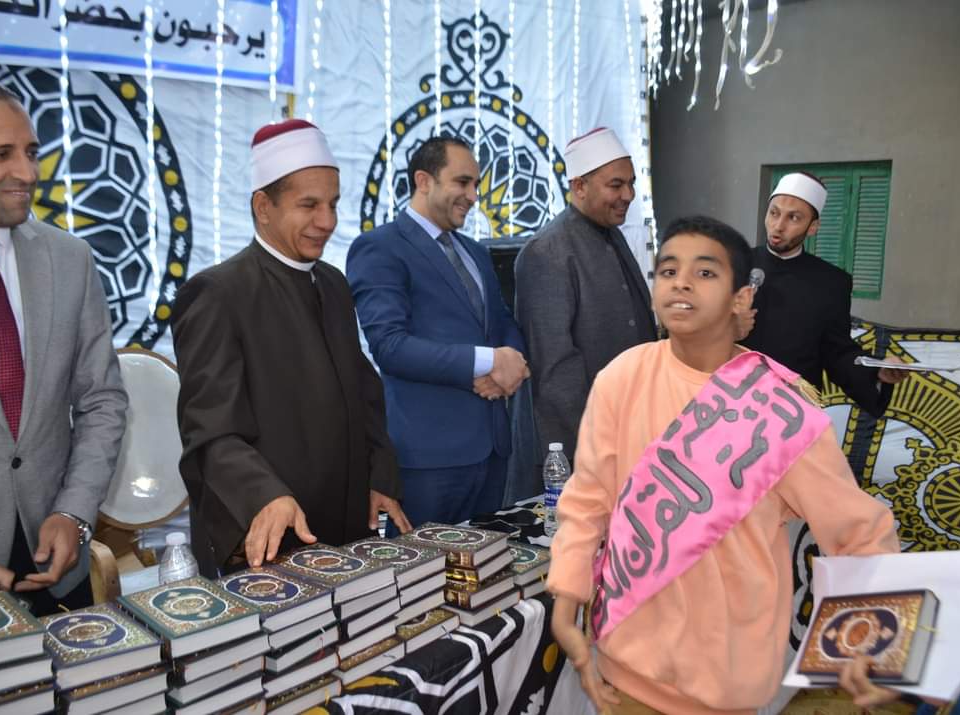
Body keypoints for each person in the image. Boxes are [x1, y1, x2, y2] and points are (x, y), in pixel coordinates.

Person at [547, 215, 903, 714]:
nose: (681, 282)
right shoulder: (622, 377)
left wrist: (874, 643)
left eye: (705, 272)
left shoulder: (781, 410)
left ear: (741, 299)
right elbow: (588, 500)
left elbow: (860, 533)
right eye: (668, 270)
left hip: (722, 683)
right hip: (622, 665)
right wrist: (566, 601)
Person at [173, 119, 408, 577]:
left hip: (345, 525)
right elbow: (211, 431)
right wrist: (263, 494)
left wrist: (380, 477)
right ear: (263, 207)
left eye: (333, 204)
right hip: (269, 530)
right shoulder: (217, 293)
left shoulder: (333, 284)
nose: (328, 221)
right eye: (309, 205)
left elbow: (364, 394)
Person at [0, 76, 127, 613]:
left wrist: (74, 512)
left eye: (31, 152)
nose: (27, 173)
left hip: (54, 568)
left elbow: (102, 400)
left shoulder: (69, 260)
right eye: (1, 155)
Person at [347, 136, 528, 531]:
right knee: (424, 570)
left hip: (493, 453)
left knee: (488, 565)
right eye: (462, 182)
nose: (473, 196)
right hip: (428, 460)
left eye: (476, 184)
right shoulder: (379, 247)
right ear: (423, 181)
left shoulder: (476, 252)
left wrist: (509, 367)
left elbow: (502, 322)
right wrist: (488, 362)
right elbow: (390, 346)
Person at [514, 127, 655, 467]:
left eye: (631, 183)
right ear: (579, 186)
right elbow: (556, 372)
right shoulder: (547, 252)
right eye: (616, 185)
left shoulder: (611, 234)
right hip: (584, 445)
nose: (628, 195)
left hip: (631, 431)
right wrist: (594, 447)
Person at [741, 172, 907, 417]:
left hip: (793, 413)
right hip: (726, 402)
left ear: (813, 227)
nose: (778, 226)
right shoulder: (733, 265)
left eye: (793, 218)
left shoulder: (831, 282)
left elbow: (837, 352)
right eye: (774, 213)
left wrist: (877, 371)